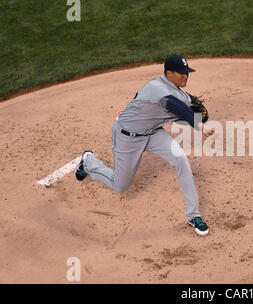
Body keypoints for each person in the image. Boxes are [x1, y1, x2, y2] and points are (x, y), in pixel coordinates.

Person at [75, 54, 214, 236]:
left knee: (181, 159)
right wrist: (198, 124)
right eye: (181, 73)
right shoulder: (156, 87)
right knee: (120, 186)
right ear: (169, 73)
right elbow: (171, 104)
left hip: (153, 133)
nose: (185, 76)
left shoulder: (181, 93)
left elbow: (184, 109)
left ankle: (193, 215)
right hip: (127, 137)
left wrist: (198, 117)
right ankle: (88, 161)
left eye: (187, 72)